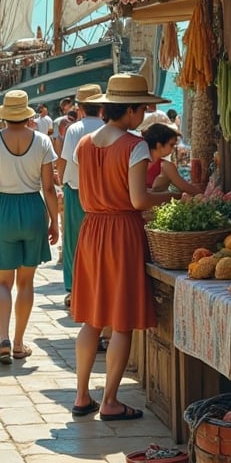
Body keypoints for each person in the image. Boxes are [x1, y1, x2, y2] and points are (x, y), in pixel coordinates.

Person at [71, 73, 172, 421]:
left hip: (92, 230)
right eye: (142, 107)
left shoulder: (84, 144)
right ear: (128, 110)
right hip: (122, 231)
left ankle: (82, 395)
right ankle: (110, 401)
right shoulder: (134, 145)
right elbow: (139, 199)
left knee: (92, 319)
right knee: (122, 320)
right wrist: (175, 194)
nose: (144, 114)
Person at [0, 89, 58, 363]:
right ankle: (20, 343)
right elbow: (49, 187)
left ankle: (3, 339)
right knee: (26, 282)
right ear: (26, 114)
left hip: (5, 210)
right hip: (34, 209)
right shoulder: (43, 141)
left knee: (2, 282)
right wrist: (55, 222)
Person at [58, 83, 104, 307]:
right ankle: (97, 287)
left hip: (76, 190)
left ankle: (74, 289)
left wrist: (60, 181)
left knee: (73, 242)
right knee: (98, 243)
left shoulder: (74, 129)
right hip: (102, 193)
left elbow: (65, 160)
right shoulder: (106, 127)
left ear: (81, 107)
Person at [143, 122, 204, 194]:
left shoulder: (136, 161)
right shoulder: (165, 166)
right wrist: (206, 197)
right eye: (171, 145)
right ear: (159, 145)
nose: (173, 148)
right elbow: (185, 187)